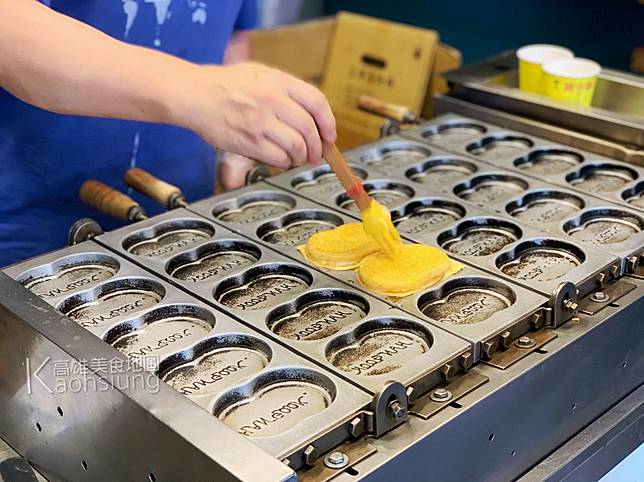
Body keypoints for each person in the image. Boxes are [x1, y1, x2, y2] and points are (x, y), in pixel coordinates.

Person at [0, 0, 336, 267]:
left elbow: (233, 32)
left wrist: (238, 148)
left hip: (186, 222)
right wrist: (200, 91)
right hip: (34, 237)